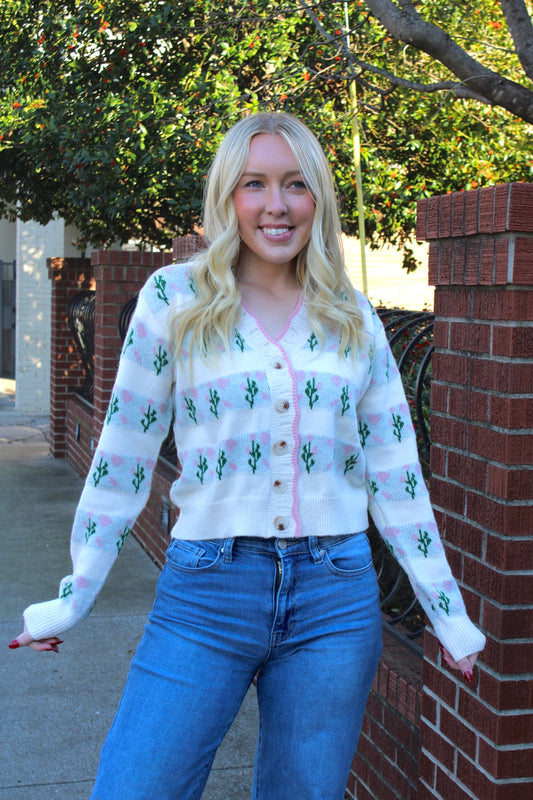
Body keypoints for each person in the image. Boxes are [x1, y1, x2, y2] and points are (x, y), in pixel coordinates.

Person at [9, 111, 485, 800]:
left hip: (334, 598)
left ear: (317, 197)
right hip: (207, 590)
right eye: (254, 183)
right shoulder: (176, 298)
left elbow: (396, 474)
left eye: (295, 184)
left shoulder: (351, 316)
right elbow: (123, 453)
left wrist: (445, 613)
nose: (275, 204)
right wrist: (73, 596)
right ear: (227, 197)